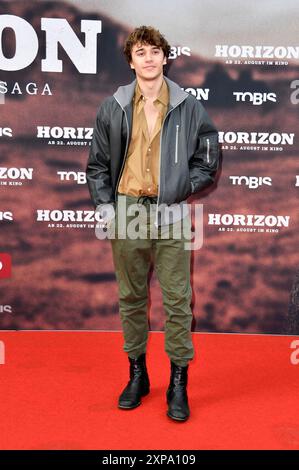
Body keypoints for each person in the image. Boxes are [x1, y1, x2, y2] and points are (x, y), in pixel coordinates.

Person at [86, 25, 219, 421]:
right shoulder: (112, 107)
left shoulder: (188, 106)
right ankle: (138, 374)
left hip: (172, 214)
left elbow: (208, 157)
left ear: (165, 57)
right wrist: (106, 207)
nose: (148, 58)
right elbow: (97, 165)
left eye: (154, 51)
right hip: (127, 210)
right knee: (131, 298)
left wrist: (182, 187)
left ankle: (179, 382)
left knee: (178, 301)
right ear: (131, 61)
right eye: (140, 52)